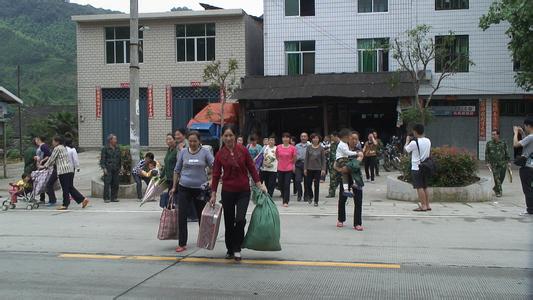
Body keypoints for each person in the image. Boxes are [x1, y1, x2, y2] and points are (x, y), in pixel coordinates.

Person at [210, 125, 265, 261]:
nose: (228, 138)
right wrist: (213, 193)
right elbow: (216, 175)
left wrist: (259, 184)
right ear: (222, 137)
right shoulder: (219, 154)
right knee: (229, 222)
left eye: (231, 135)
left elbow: (252, 168)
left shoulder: (243, 150)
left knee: (240, 219)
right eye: (226, 136)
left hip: (243, 191)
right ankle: (230, 249)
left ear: (235, 136)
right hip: (228, 191)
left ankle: (237, 247)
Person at [170, 131, 214, 253]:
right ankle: (182, 243)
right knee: (182, 216)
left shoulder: (205, 152)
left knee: (202, 216)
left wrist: (211, 181)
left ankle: (205, 240)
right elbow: (176, 170)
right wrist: (174, 187)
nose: (193, 143)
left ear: (199, 141)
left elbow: (214, 167)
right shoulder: (183, 152)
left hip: (200, 190)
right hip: (184, 188)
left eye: (195, 141)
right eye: (191, 141)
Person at [42, 135, 89, 210]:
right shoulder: (63, 148)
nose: (52, 142)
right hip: (70, 170)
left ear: (57, 142)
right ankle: (83, 199)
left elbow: (52, 159)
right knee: (70, 187)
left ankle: (65, 204)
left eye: (53, 141)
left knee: (65, 188)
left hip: (63, 171)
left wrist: (44, 166)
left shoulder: (57, 148)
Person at [404, 124, 432, 212]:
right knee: (425, 186)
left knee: (419, 187)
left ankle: (423, 205)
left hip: (417, 167)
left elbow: (406, 150)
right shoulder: (428, 140)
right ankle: (427, 205)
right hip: (426, 166)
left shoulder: (414, 142)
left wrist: (407, 141)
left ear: (415, 131)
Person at [337, 151, 365, 230]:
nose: (354, 141)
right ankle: (340, 219)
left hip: (356, 177)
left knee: (358, 201)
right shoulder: (343, 149)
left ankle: (357, 223)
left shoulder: (359, 151)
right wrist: (341, 169)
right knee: (342, 199)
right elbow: (336, 164)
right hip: (345, 177)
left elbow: (356, 165)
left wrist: (347, 167)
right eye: (352, 139)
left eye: (356, 139)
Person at [513, 117, 533, 216]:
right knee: (531, 188)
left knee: (527, 189)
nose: (524, 128)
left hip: (527, 167)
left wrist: (516, 132)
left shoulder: (530, 137)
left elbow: (516, 144)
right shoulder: (530, 137)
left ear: (528, 126)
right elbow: (528, 144)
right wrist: (522, 133)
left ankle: (530, 209)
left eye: (525, 126)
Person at [485, 129, 510, 197]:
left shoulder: (503, 143)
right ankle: (499, 191)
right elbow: (487, 153)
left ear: (498, 135)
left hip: (502, 163)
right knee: (496, 178)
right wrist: (487, 162)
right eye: (492, 134)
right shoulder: (489, 143)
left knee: (502, 177)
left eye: (494, 134)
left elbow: (506, 152)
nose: (493, 136)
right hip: (494, 164)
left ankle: (495, 188)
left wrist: (508, 161)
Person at [335, 129, 359, 198]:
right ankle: (354, 184)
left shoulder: (344, 144)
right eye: (350, 138)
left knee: (345, 174)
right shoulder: (342, 144)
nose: (350, 139)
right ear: (345, 137)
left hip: (342, 159)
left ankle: (346, 190)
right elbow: (347, 153)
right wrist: (356, 153)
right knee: (352, 169)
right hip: (342, 159)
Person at [304, 133, 326, 206]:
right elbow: (306, 159)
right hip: (309, 168)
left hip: (318, 169)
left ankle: (316, 200)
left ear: (319, 139)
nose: (315, 139)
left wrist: (323, 169)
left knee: (316, 185)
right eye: (314, 138)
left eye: (317, 138)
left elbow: (323, 159)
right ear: (311, 139)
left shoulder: (321, 148)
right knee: (308, 184)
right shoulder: (309, 147)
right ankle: (310, 195)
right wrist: (305, 168)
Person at [34, 136, 57, 205]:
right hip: (41, 166)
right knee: (42, 183)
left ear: (39, 140)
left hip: (44, 167)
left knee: (45, 183)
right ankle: (43, 198)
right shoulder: (41, 146)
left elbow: (49, 155)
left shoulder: (43, 146)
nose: (35, 141)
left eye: (36, 139)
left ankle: (51, 199)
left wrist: (42, 161)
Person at [276, 132, 297, 207]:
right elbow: (277, 156)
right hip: (280, 168)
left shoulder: (293, 148)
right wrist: (281, 162)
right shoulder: (278, 147)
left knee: (287, 185)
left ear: (289, 139)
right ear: (282, 138)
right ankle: (283, 196)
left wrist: (291, 164)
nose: (285, 139)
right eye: (284, 137)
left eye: (287, 137)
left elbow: (294, 158)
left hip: (288, 168)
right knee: (280, 184)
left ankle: (286, 201)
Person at [100, 134, 121, 203]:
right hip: (108, 168)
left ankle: (114, 197)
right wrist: (104, 168)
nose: (116, 140)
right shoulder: (105, 148)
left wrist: (120, 167)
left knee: (115, 183)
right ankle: (106, 198)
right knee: (107, 183)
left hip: (116, 168)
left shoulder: (117, 148)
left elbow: (119, 158)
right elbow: (102, 159)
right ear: (110, 140)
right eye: (115, 139)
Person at [295, 132, 311, 201]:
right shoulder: (297, 146)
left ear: (307, 138)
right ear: (300, 138)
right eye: (302, 136)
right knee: (297, 180)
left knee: (307, 181)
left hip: (307, 164)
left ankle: (306, 195)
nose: (303, 138)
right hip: (298, 164)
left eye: (305, 136)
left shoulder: (310, 146)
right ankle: (299, 194)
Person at [327, 132, 340, 198]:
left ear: (336, 136)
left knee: (340, 178)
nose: (331, 138)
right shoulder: (332, 145)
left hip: (340, 163)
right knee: (332, 178)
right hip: (332, 164)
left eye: (332, 137)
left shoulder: (342, 144)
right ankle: (331, 193)